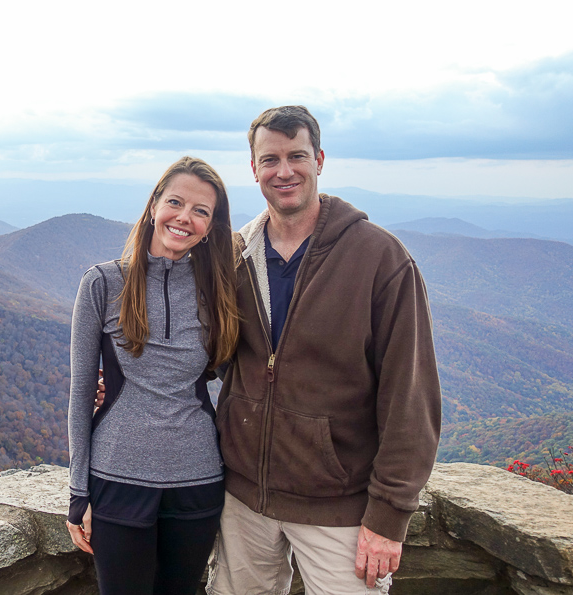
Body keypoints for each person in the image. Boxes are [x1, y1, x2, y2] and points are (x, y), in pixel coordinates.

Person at [206, 106, 441, 595]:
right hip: (243, 498)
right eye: (270, 159)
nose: (284, 171)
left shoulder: (379, 258)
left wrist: (390, 514)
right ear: (253, 169)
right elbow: (209, 354)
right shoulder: (235, 254)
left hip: (339, 506)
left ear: (320, 159)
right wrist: (121, 384)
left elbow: (410, 397)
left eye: (297, 156)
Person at [66, 156, 241, 595]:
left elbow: (230, 369)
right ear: (153, 207)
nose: (185, 217)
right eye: (176, 202)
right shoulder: (103, 284)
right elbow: (81, 392)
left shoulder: (218, 290)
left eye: (201, 211)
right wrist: (78, 492)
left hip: (198, 481)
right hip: (117, 478)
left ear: (210, 226)